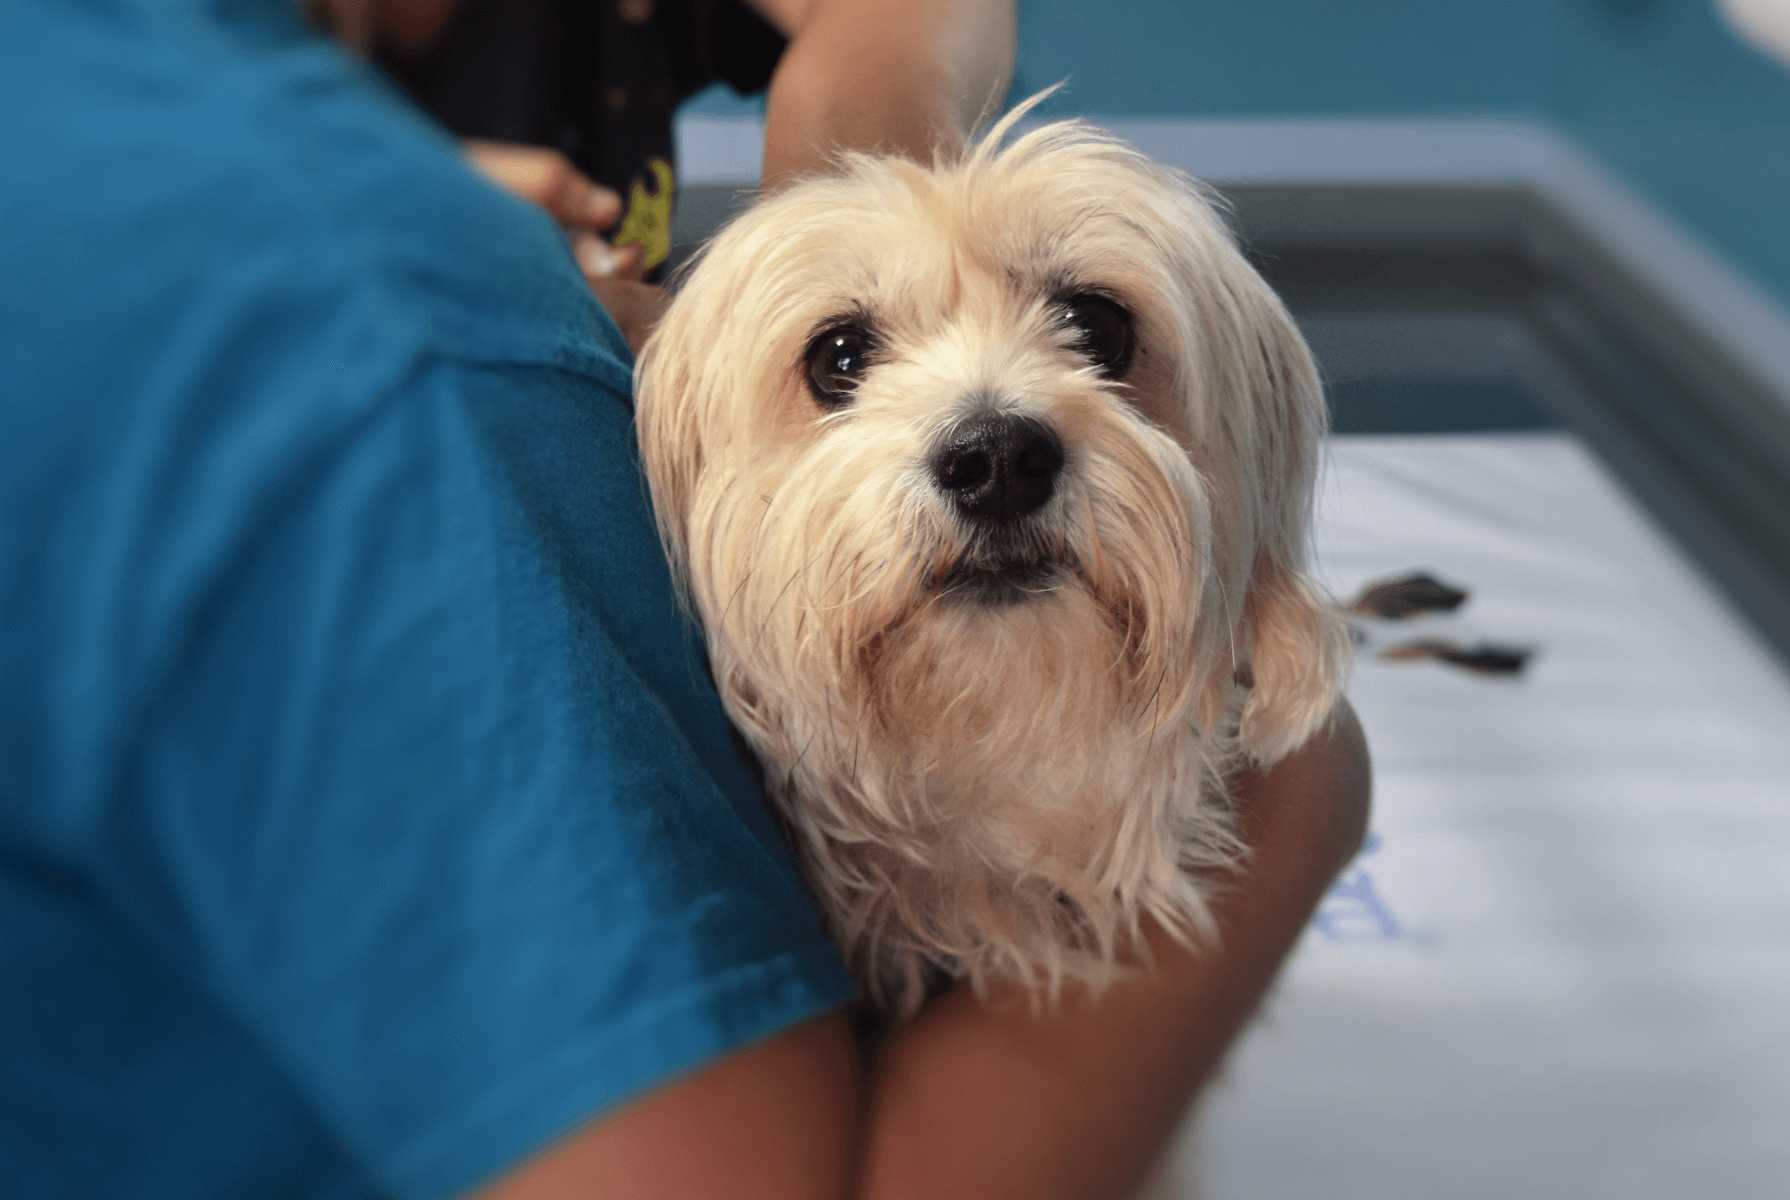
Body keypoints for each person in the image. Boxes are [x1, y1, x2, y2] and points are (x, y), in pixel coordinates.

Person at [0, 2, 1371, 1199]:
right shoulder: (408, 354)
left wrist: (849, 226)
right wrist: (1307, 791)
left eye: (1099, 329)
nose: (994, 430)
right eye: (843, 363)